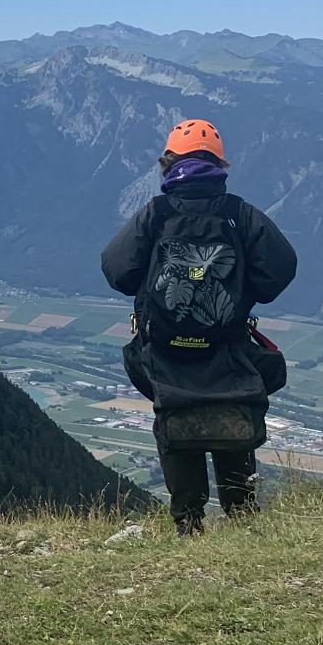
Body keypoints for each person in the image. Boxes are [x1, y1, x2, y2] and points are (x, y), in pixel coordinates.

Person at [101, 119, 297, 534]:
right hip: (227, 344)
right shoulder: (239, 215)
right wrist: (243, 293)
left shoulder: (155, 214)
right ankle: (241, 516)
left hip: (166, 348)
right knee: (231, 413)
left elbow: (117, 272)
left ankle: (188, 524)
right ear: (219, 164)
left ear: (168, 163)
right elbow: (280, 270)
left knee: (175, 420)